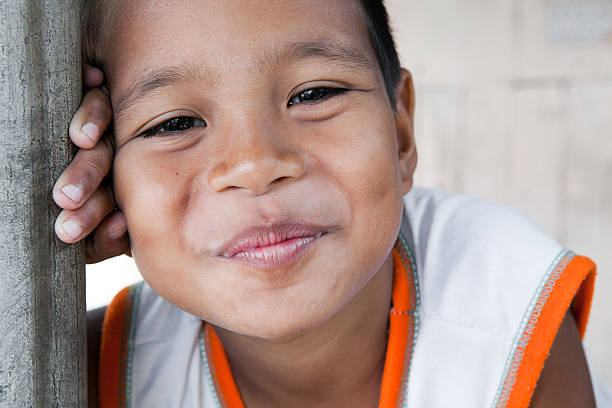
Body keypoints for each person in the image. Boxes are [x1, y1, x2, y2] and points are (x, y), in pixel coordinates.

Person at [53, 1, 610, 407]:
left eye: (314, 94)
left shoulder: (503, 309)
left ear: (401, 135)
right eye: (173, 124)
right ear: (107, 184)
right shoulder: (94, 365)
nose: (254, 164)